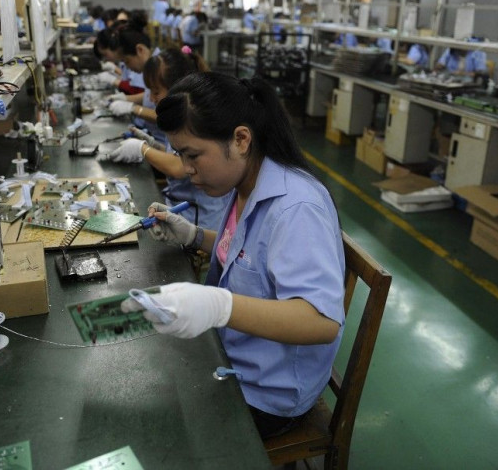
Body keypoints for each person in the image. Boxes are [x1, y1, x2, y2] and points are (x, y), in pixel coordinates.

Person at [121, 73, 346, 439]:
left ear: (241, 139)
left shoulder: (296, 208)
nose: (186, 168)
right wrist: (194, 236)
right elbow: (248, 255)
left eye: (193, 155)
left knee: (156, 432)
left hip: (269, 391)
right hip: (235, 354)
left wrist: (217, 305)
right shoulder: (245, 182)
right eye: (180, 155)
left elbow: (321, 321)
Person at [106, 47, 228, 229]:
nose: (151, 99)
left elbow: (180, 167)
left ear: (176, 88)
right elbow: (178, 155)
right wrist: (152, 144)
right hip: (179, 208)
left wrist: (143, 149)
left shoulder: (195, 117)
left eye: (156, 92)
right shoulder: (180, 115)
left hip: (198, 221)